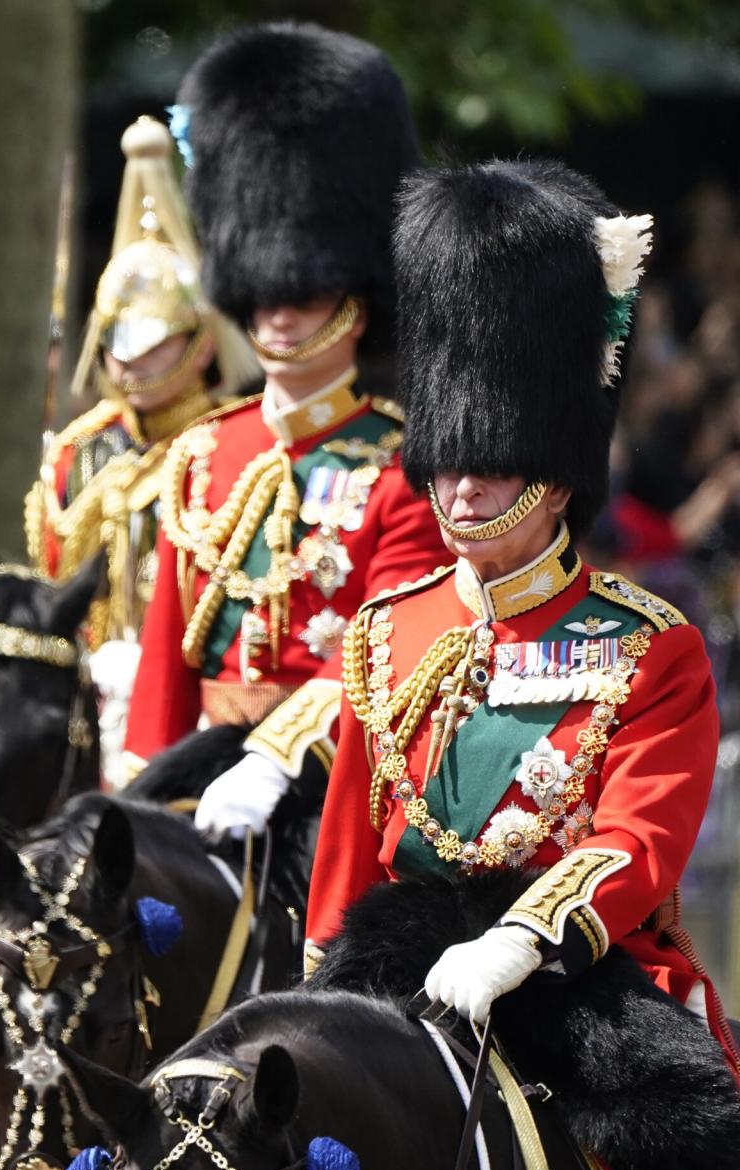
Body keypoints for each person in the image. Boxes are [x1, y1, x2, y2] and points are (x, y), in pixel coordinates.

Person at [305, 160, 740, 1170]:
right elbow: (350, 847)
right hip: (392, 974)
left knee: (710, 1160)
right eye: (448, 461)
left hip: (579, 980)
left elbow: (638, 840)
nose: (463, 484)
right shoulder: (388, 630)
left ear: (555, 465)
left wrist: (520, 938)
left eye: (491, 461)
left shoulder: (646, 644)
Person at [122, 23, 448, 825]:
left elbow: (386, 652)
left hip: (330, 782)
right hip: (196, 776)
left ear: (352, 299)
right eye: (265, 295)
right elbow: (169, 657)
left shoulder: (400, 463)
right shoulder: (202, 453)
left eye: (302, 294)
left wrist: (275, 756)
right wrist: (133, 789)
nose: (278, 315)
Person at [24, 116, 257, 786]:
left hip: (196, 694)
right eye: (119, 339)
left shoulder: (232, 442)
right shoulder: (78, 449)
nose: (130, 359)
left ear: (200, 341)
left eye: (152, 340)